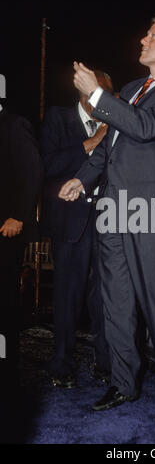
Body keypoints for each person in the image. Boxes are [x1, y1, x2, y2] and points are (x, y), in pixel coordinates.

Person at [59, 13, 155, 410]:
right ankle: (123, 383)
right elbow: (108, 144)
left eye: (151, 35)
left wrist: (98, 96)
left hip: (153, 207)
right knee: (115, 300)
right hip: (114, 207)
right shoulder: (133, 87)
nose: (143, 39)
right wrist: (82, 178)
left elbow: (145, 127)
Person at [40, 69, 113, 388]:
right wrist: (93, 142)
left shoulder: (116, 124)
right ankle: (62, 364)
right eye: (100, 94)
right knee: (68, 296)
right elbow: (48, 165)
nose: (105, 102)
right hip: (70, 222)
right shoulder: (57, 118)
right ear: (85, 92)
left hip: (109, 221)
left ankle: (106, 363)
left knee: (106, 297)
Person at [0, 104, 43, 394]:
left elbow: (34, 171)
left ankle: (6, 374)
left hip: (5, 230)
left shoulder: (13, 124)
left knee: (3, 305)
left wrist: (19, 216)